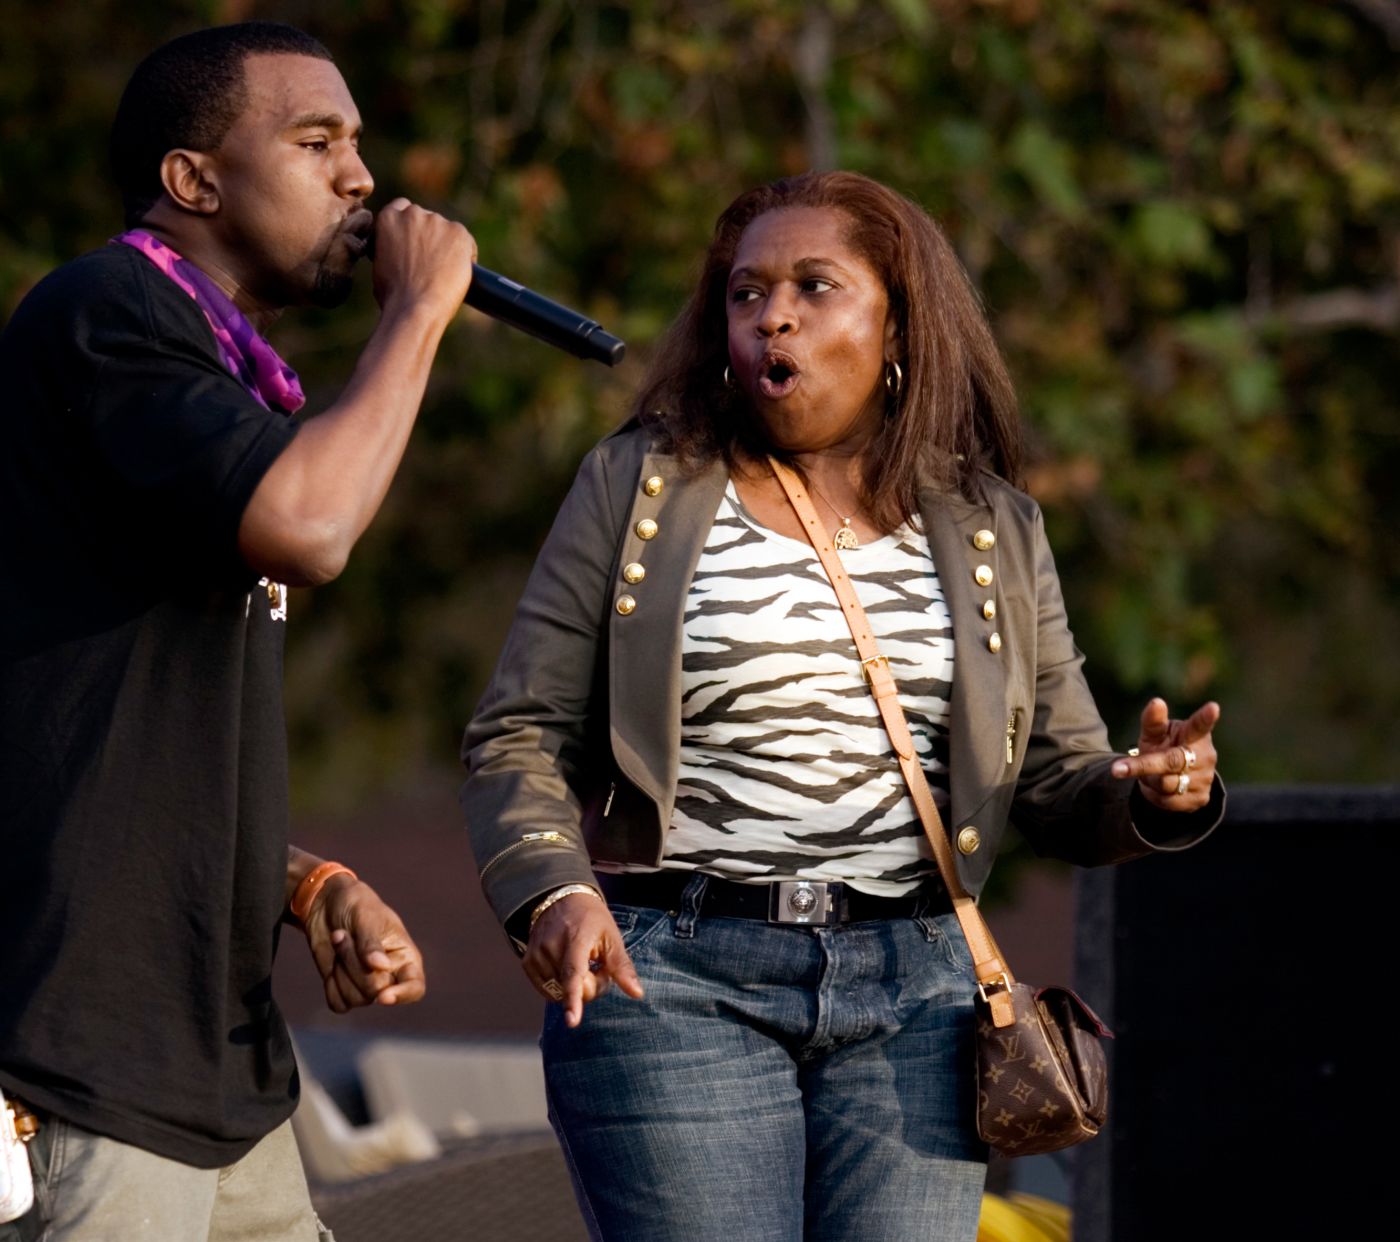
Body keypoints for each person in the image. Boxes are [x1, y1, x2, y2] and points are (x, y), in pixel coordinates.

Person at [461, 171, 1225, 1241]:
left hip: (918, 995)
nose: (770, 314)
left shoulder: (990, 524)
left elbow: (1054, 785)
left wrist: (1153, 793)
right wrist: (551, 892)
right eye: (744, 293)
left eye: (814, 287)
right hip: (672, 982)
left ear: (899, 325)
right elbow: (519, 734)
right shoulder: (638, 485)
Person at [0, 21, 476, 1242]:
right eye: (316, 141)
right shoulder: (103, 312)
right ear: (194, 180)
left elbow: (123, 754)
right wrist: (417, 316)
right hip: (66, 1063)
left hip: (214, 1084)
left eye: (358, 142)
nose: (361, 176)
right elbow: (310, 525)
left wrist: (306, 886)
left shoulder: (208, 379)